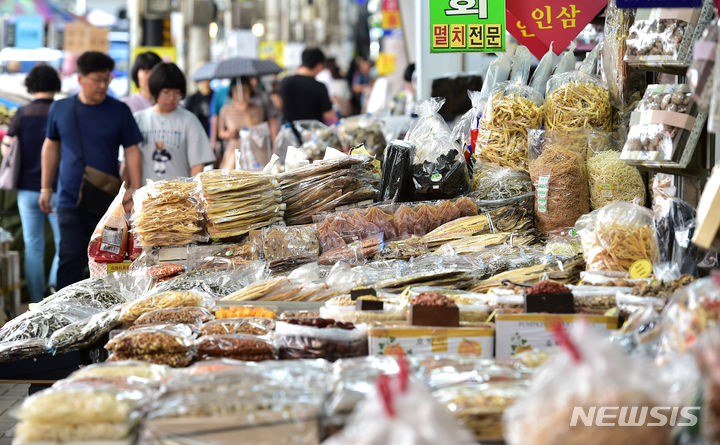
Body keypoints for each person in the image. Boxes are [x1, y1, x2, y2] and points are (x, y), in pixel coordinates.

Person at [39, 51, 143, 290]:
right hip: (69, 199)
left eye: (107, 79)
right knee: (70, 258)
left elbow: (132, 150)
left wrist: (135, 192)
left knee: (109, 259)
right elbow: (50, 148)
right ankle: (66, 312)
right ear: (80, 79)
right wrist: (46, 187)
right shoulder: (61, 108)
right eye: (97, 79)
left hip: (108, 203)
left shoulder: (119, 110)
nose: (103, 85)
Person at [1, 65, 62, 302]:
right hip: (57, 188)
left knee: (32, 246)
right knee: (63, 244)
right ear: (55, 85)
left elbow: (7, 148)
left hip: (26, 189)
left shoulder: (21, 114)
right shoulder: (61, 111)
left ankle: (36, 301)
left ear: (31, 85)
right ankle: (56, 293)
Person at [133, 62, 215, 183]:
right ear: (155, 90)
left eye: (177, 93)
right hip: (145, 195)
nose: (172, 98)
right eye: (166, 92)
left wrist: (190, 192)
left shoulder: (189, 120)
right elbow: (129, 161)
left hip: (179, 197)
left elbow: (198, 164)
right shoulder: (139, 119)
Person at [218, 78, 268, 169]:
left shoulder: (258, 108)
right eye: (236, 91)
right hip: (234, 151)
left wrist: (245, 112)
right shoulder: (225, 110)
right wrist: (229, 134)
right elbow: (221, 133)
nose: (241, 94)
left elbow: (257, 130)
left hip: (254, 151)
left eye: (245, 91)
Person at [278, 48, 335, 124]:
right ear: (319, 65)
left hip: (288, 131)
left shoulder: (285, 82)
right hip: (312, 132)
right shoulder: (319, 87)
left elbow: (278, 105)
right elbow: (328, 115)